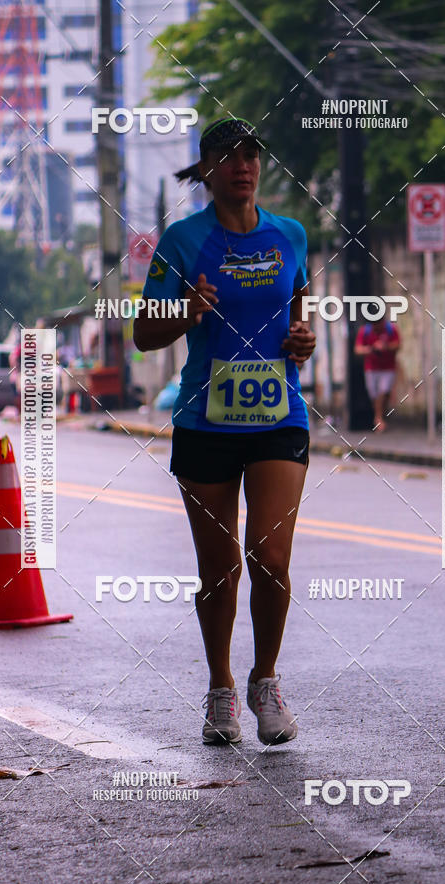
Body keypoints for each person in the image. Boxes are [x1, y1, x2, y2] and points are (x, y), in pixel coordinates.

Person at [133, 117, 316, 746]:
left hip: (279, 418)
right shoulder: (183, 241)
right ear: (206, 169)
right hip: (206, 422)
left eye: (250, 154)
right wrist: (188, 311)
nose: (241, 164)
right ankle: (220, 690)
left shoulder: (291, 235)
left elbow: (299, 326)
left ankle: (266, 681)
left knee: (269, 556)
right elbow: (143, 334)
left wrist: (304, 341)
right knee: (219, 569)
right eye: (226, 155)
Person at [354, 313, 401, 432]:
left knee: (384, 391)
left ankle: (378, 418)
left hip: (388, 367)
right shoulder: (365, 331)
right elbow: (357, 349)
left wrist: (386, 347)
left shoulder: (390, 329)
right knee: (374, 394)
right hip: (371, 368)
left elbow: (398, 345)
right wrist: (372, 349)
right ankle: (379, 416)